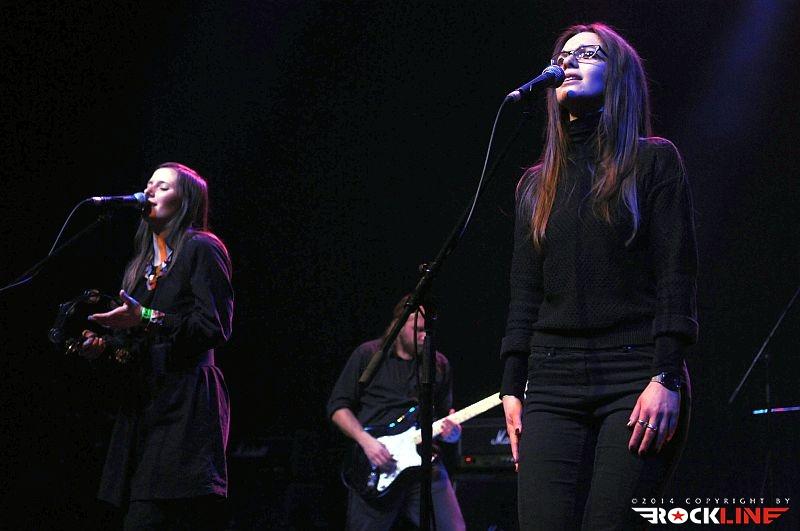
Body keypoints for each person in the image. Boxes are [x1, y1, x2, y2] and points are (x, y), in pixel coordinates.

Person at [499, 23, 698, 530]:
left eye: (588, 53)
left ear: (619, 76)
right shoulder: (535, 185)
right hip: (551, 382)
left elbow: (676, 274)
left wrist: (666, 375)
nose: (569, 61)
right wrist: (511, 387)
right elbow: (524, 292)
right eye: (563, 55)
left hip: (634, 374)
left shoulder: (653, 161)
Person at [81, 162, 234, 530]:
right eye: (149, 183)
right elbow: (132, 344)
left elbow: (213, 326)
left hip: (185, 408)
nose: (149, 191)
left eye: (163, 186)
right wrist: (103, 347)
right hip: (145, 407)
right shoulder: (141, 266)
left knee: (152, 517)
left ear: (185, 201)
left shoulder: (201, 247)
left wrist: (146, 317)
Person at [327, 296, 466, 531]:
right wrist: (366, 442)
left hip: (424, 464)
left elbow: (445, 419)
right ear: (399, 325)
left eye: (428, 331)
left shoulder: (438, 364)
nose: (424, 337)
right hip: (377, 465)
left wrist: (452, 434)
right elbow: (338, 408)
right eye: (418, 330)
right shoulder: (368, 355)